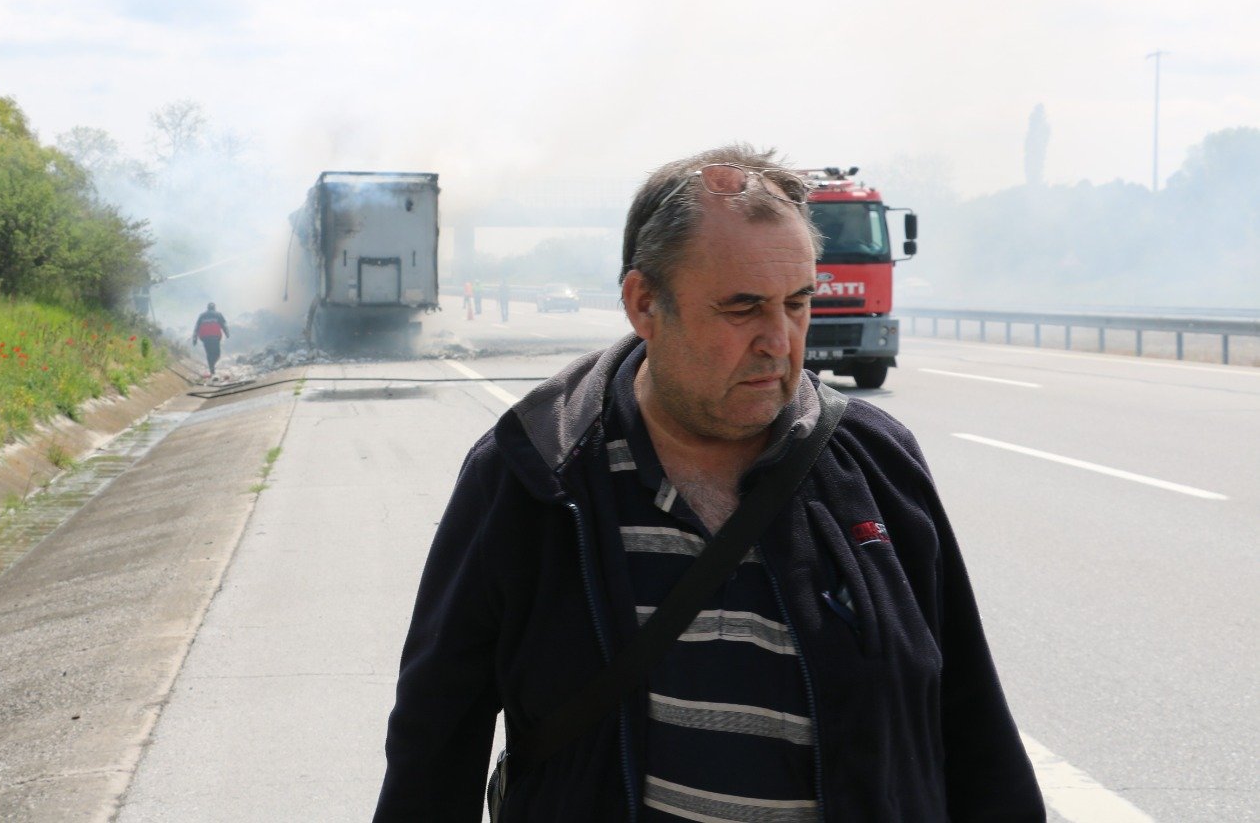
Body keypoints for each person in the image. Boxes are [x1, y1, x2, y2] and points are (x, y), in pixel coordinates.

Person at [373, 145, 1042, 822]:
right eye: (742, 307)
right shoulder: (533, 478)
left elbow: (971, 728)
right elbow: (435, 744)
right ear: (644, 304)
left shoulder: (876, 465)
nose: (779, 340)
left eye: (798, 302)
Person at [190, 302, 230, 376]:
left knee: (209, 353)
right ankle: (212, 367)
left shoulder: (202, 316)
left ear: (207, 308)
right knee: (217, 354)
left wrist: (194, 339)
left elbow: (196, 328)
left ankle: (211, 368)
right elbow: (224, 325)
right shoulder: (218, 314)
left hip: (205, 338)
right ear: (214, 308)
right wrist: (227, 333)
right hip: (215, 337)